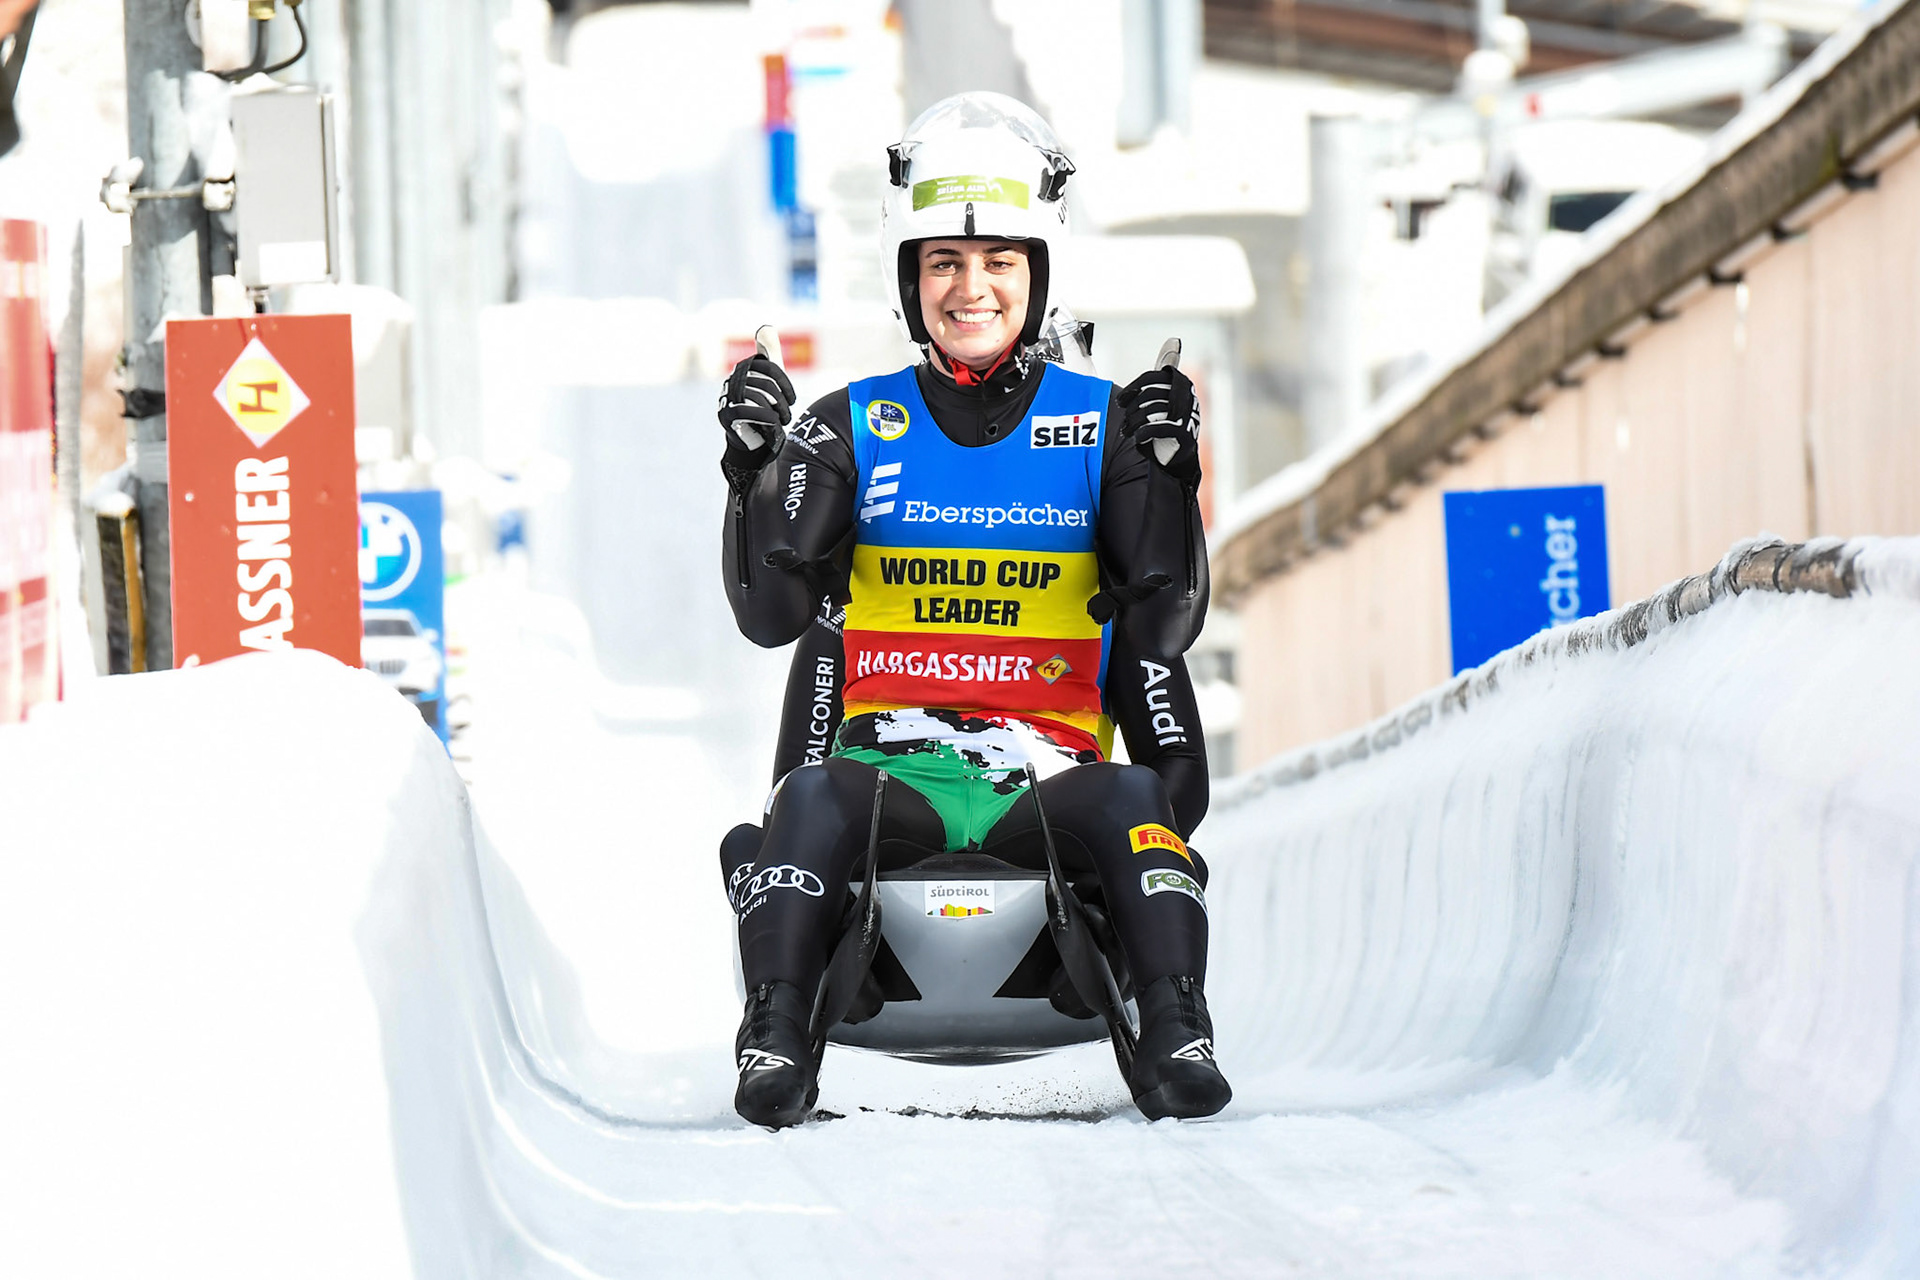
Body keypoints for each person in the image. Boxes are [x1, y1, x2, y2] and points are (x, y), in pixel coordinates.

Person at [714, 92, 1228, 1127]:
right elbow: (774, 617)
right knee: (807, 795)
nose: (971, 286)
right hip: (890, 783)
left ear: (1039, 274)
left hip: (1050, 787)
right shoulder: (848, 424)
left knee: (1132, 792)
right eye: (944, 262)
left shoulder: (1106, 422)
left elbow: (1165, 629)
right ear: (910, 281)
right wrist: (753, 474)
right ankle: (770, 1032)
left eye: (999, 260)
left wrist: (1172, 481)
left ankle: (1180, 1026)